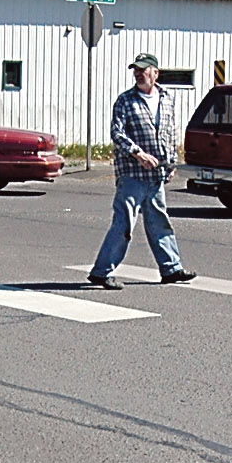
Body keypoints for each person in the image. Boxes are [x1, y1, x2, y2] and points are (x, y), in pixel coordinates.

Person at [89, 53, 195, 289]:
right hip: (132, 175)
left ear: (155, 73)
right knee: (124, 224)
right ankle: (101, 272)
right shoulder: (126, 100)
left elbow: (170, 133)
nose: (138, 73)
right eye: (135, 70)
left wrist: (171, 162)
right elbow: (117, 133)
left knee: (159, 222)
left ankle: (171, 269)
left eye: (143, 69)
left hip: (156, 176)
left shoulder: (167, 99)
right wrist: (137, 153)